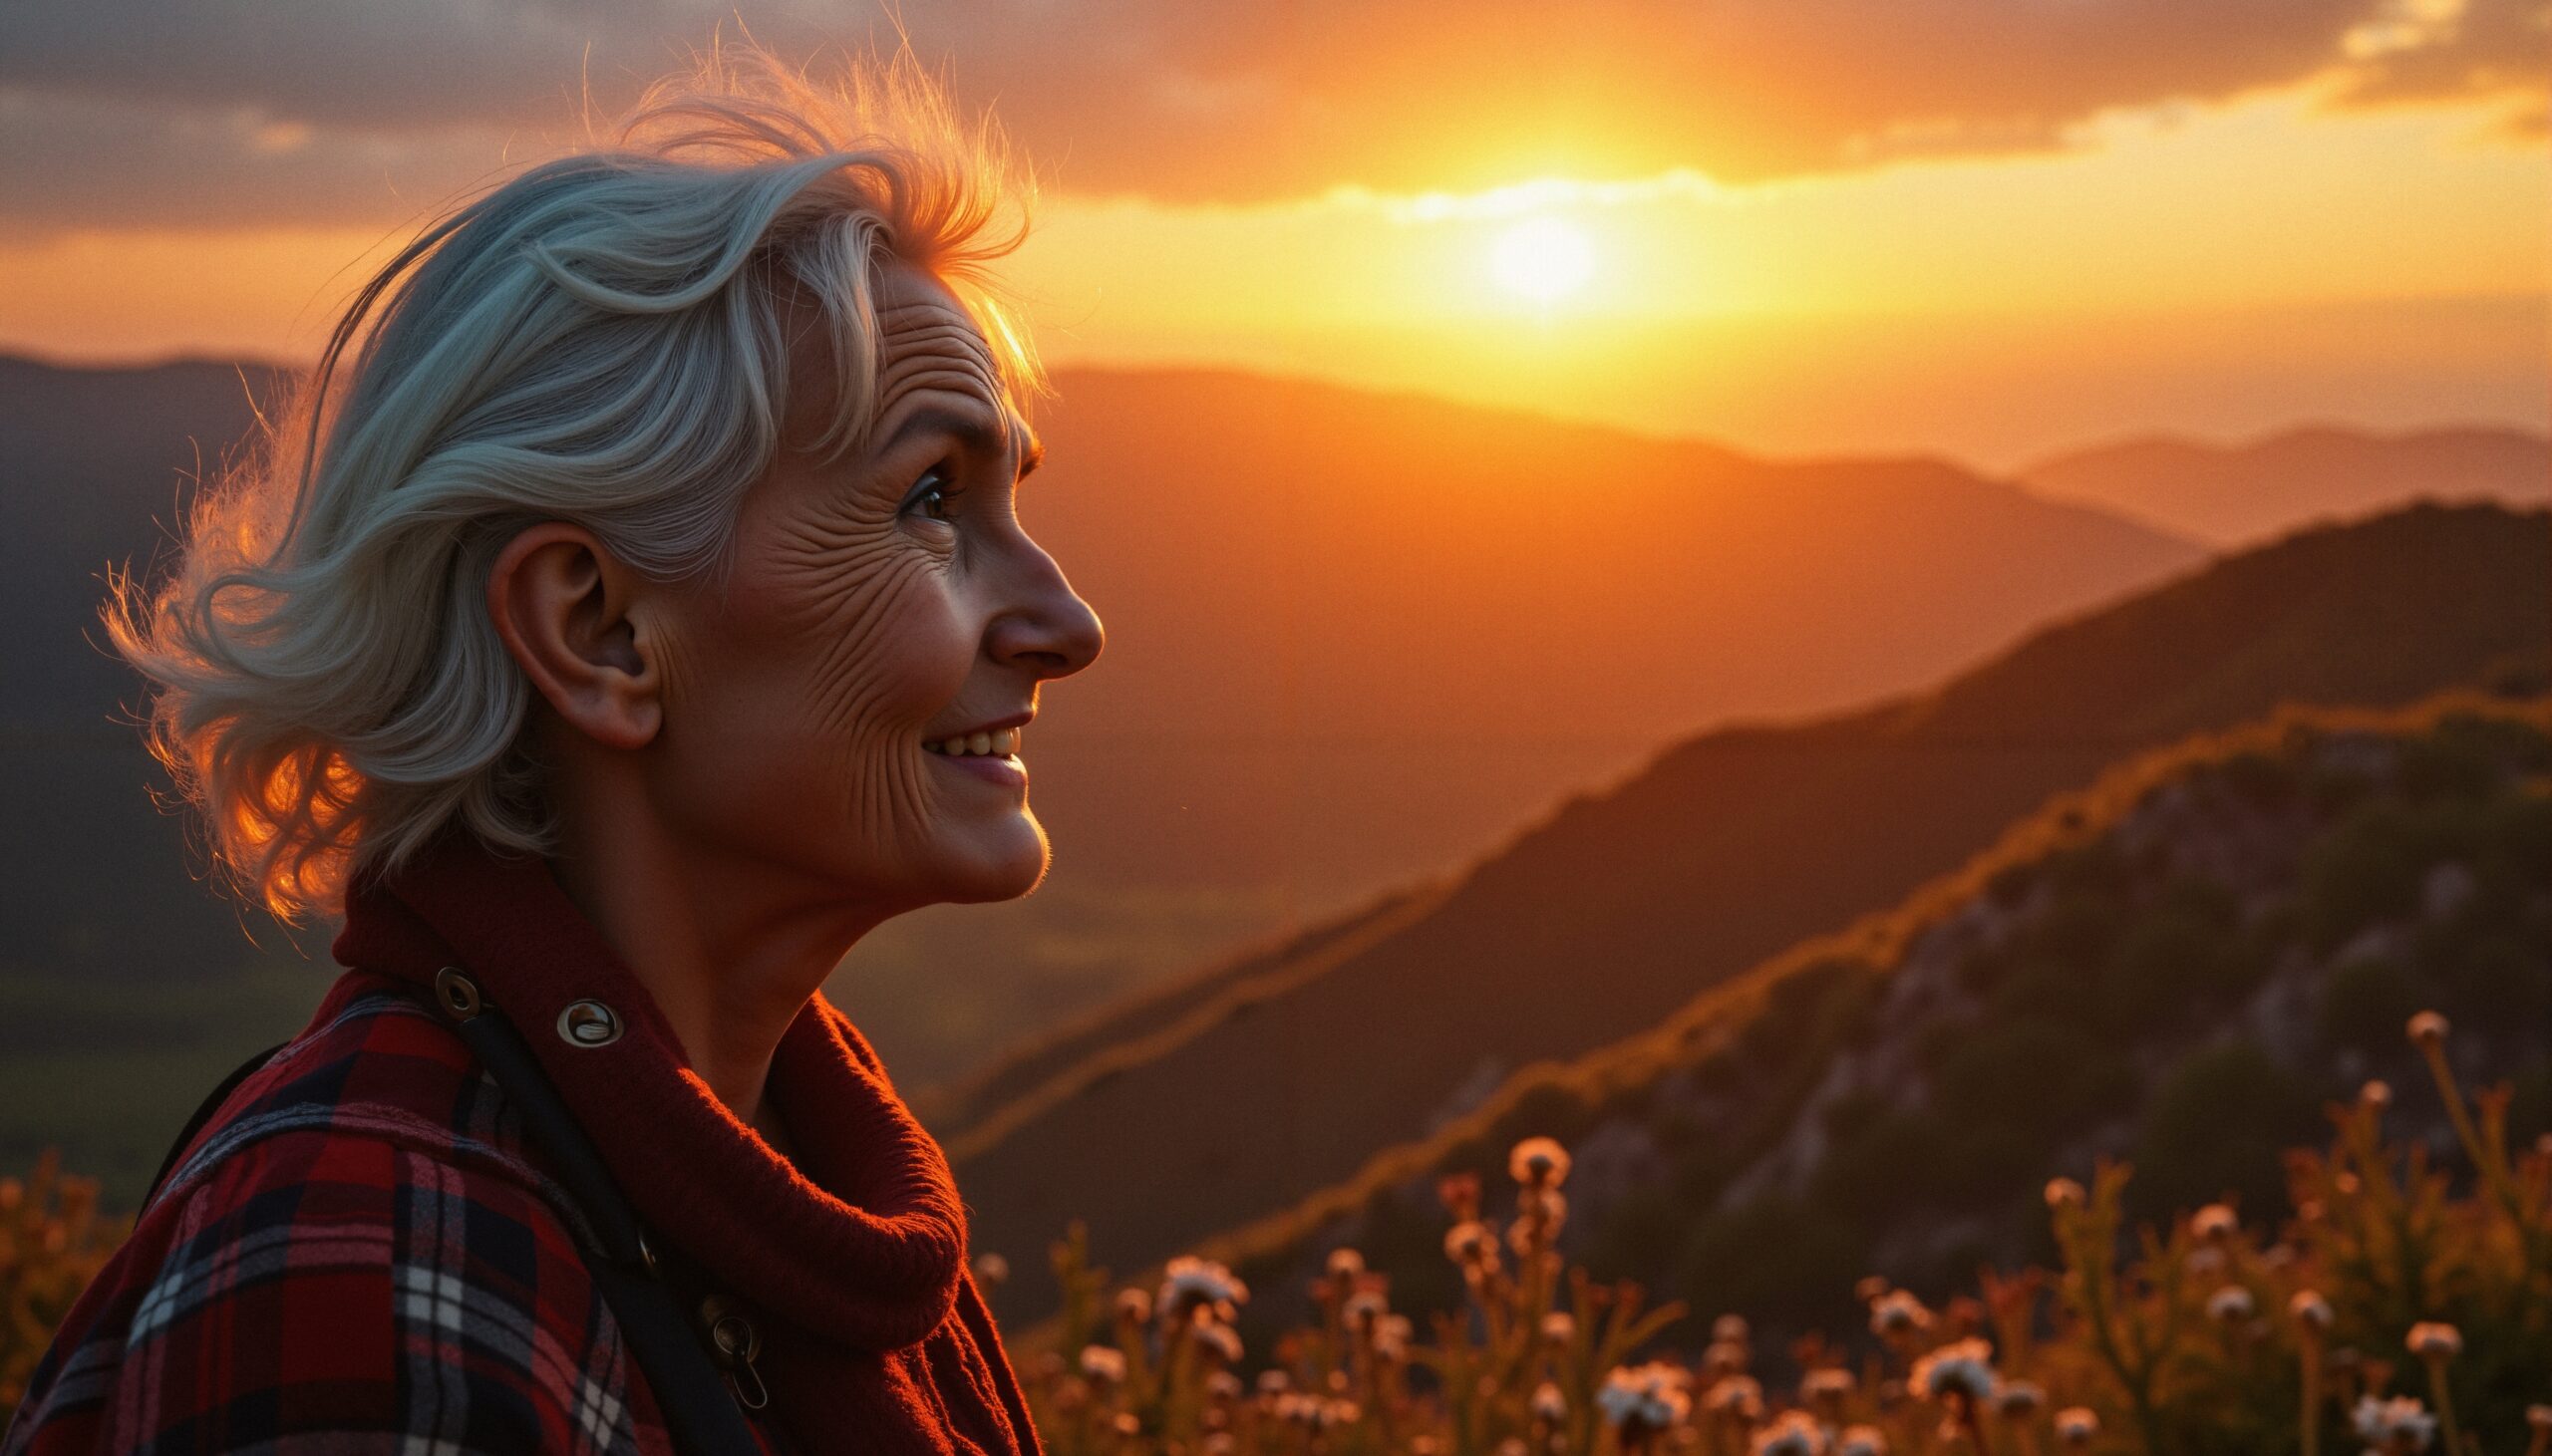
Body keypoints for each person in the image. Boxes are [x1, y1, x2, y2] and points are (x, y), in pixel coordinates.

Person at [5, 37, 1100, 1456]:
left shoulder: (804, 1193)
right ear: (596, 632)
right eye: (930, 502)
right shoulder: (374, 1271)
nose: (1066, 621)